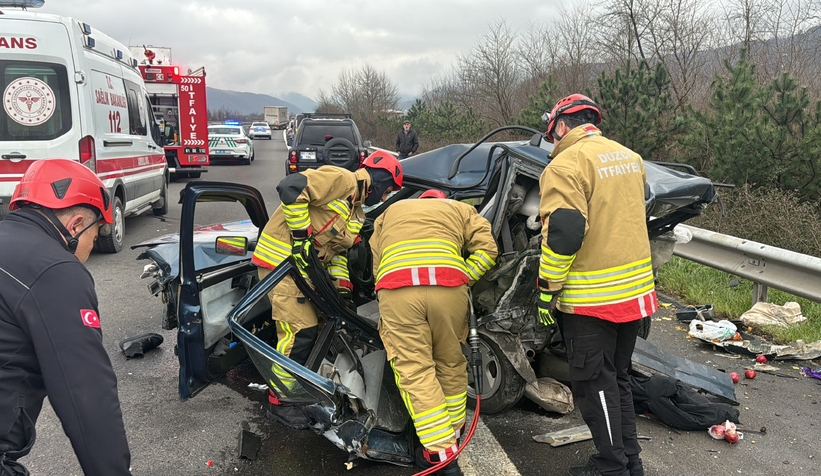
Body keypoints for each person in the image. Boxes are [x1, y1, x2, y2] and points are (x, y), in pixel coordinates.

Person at [537, 94, 657, 476]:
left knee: (593, 388)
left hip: (593, 302)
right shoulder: (629, 157)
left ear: (559, 125)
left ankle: (610, 468)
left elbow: (565, 232)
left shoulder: (566, 164)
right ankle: (629, 464)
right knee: (617, 381)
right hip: (634, 295)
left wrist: (547, 288)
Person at [251, 151, 403, 428]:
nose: (384, 199)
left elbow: (337, 256)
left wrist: (342, 290)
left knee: (319, 330)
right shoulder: (342, 180)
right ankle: (280, 400)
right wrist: (300, 238)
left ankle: (300, 391)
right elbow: (291, 188)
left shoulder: (356, 215)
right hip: (281, 265)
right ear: (380, 181)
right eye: (387, 192)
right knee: (300, 331)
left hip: (304, 271)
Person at [0, 159, 131, 475]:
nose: (91, 244)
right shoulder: (56, 270)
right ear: (75, 225)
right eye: (96, 232)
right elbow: (86, 395)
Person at [370, 189, 498, 476]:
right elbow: (489, 250)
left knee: (415, 370)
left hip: (399, 288)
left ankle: (440, 455)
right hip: (448, 288)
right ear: (442, 200)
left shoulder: (392, 211)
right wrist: (465, 276)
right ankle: (451, 434)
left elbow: (376, 260)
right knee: (450, 361)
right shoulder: (460, 209)